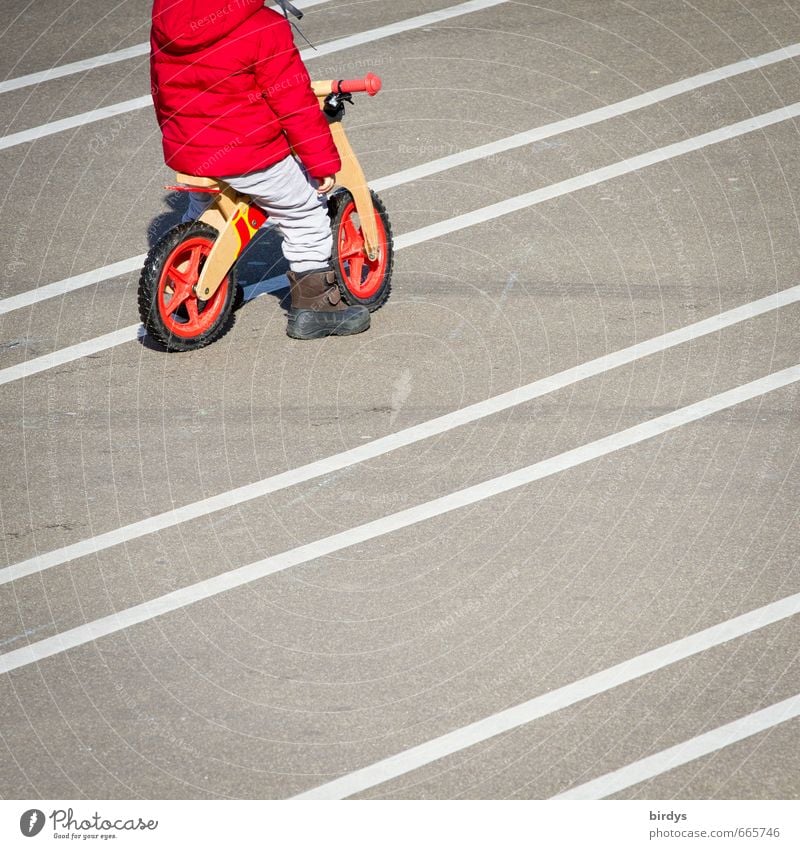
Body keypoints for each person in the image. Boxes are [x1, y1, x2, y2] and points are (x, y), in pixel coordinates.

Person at [150, 0, 369, 339]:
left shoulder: (168, 15)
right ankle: (316, 308)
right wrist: (321, 163)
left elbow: (161, 85)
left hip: (189, 147)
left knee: (203, 209)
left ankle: (199, 281)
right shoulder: (263, 26)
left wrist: (177, 136)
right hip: (248, 153)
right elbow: (294, 104)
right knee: (305, 210)